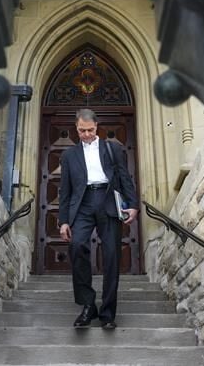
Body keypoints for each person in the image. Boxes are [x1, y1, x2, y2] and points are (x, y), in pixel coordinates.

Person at [58, 108, 139, 330]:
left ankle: (107, 313)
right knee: (76, 246)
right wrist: (63, 220)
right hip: (82, 204)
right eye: (81, 130)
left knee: (112, 255)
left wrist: (132, 205)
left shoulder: (113, 149)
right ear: (76, 128)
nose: (85, 134)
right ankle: (87, 305)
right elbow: (64, 190)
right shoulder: (68, 155)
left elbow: (125, 178)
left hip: (107, 201)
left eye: (90, 130)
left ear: (97, 127)